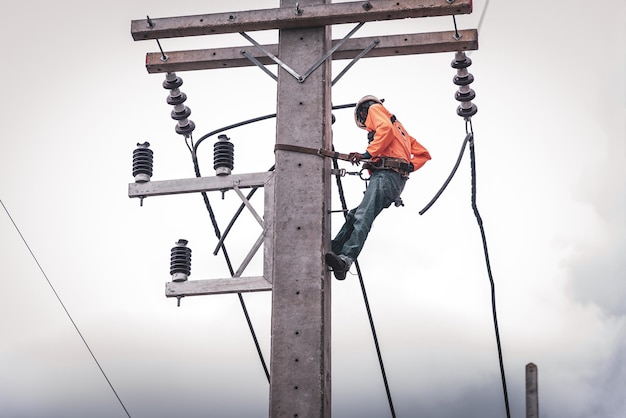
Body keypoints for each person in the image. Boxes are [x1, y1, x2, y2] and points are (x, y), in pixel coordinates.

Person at [325, 95, 431, 280]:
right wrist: (402, 166)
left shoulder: (375, 109)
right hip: (393, 180)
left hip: (387, 177)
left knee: (362, 216)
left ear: (363, 112)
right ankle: (334, 249)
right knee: (355, 215)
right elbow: (423, 154)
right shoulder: (402, 131)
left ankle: (345, 259)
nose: (368, 125)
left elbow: (385, 130)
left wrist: (368, 154)